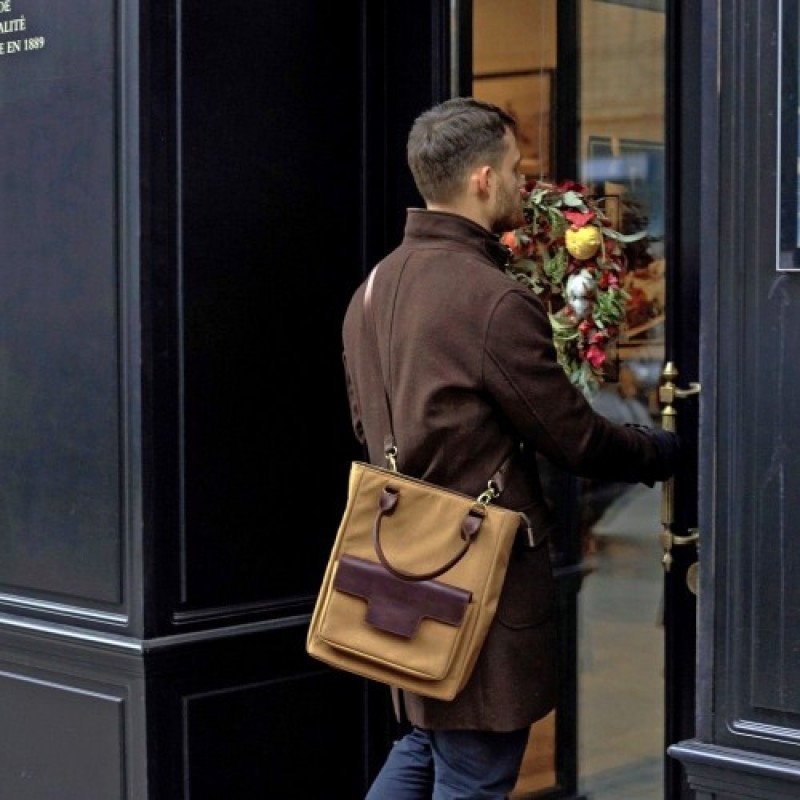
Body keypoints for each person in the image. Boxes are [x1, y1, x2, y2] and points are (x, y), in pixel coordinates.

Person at [341, 97, 681, 800]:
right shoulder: (490, 300)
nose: (524, 185)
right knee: (473, 770)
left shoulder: (370, 291)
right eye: (517, 170)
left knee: (428, 744)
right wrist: (664, 450)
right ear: (483, 180)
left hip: (400, 565)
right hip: (476, 581)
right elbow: (575, 439)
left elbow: (366, 424)